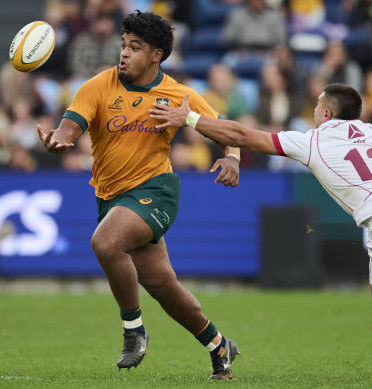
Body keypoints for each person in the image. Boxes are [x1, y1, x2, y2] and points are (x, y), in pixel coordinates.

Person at [150, 83, 372, 379]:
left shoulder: (313, 140)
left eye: (316, 105)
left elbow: (245, 136)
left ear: (326, 113)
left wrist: (191, 119)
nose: (313, 111)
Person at [37, 11, 240, 380]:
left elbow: (223, 128)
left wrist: (233, 158)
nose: (125, 53)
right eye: (123, 45)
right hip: (112, 197)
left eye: (135, 47)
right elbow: (67, 130)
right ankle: (219, 345)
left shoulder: (179, 95)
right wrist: (57, 143)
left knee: (105, 242)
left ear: (156, 55)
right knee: (163, 285)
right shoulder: (98, 86)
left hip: (156, 190)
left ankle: (134, 330)